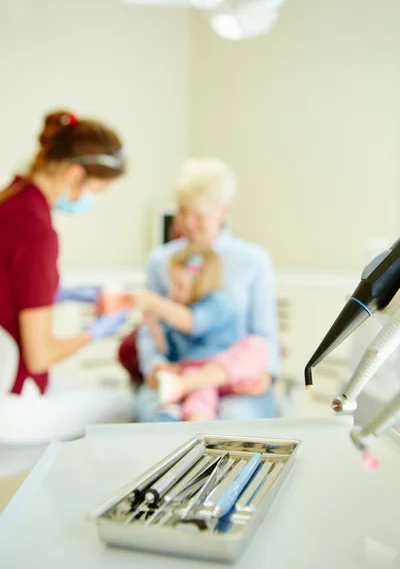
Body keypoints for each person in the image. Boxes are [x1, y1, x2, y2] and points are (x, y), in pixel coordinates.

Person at [135, 158, 280, 422]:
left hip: (234, 378)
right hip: (179, 370)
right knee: (160, 417)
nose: (188, 222)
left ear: (223, 211)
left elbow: (264, 334)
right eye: (182, 211)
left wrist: (265, 376)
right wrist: (155, 368)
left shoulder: (253, 261)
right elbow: (149, 333)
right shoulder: (160, 261)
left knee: (233, 419)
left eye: (199, 214)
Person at [0, 110, 129, 396]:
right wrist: (96, 331)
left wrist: (59, 293)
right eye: (97, 191)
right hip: (16, 394)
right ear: (73, 174)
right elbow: (40, 356)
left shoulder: (10, 201)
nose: (93, 201)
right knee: (120, 405)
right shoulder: (37, 232)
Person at [132, 243, 269, 421]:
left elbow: (193, 322)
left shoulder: (218, 303)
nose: (172, 290)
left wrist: (155, 303)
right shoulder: (174, 310)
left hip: (224, 373)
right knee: (201, 394)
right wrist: (152, 322)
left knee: (257, 346)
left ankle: (184, 386)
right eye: (172, 283)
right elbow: (164, 348)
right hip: (192, 372)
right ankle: (184, 415)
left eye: (180, 285)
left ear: (201, 285)